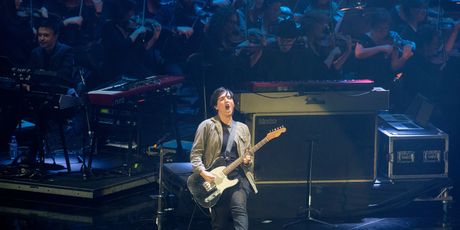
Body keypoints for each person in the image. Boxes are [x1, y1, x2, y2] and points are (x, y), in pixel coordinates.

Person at [190, 87, 257, 230]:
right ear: (216, 106)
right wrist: (203, 172)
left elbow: (248, 154)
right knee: (219, 223)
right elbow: (195, 154)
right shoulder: (207, 126)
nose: (227, 100)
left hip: (238, 177)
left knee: (239, 209)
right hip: (215, 180)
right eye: (222, 99)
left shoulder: (243, 128)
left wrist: (247, 160)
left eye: (229, 98)